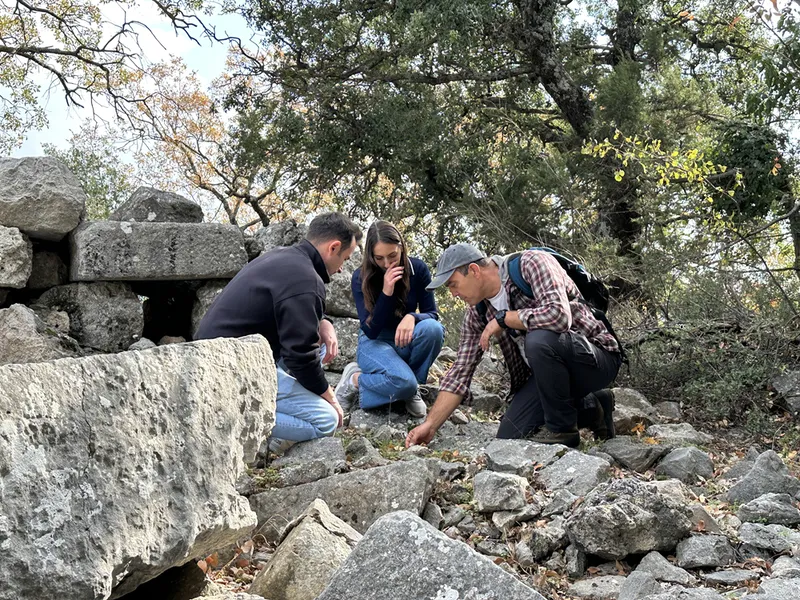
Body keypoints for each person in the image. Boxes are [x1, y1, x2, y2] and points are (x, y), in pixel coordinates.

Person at [405, 243, 621, 449]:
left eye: (453, 284)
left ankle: (563, 431)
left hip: (596, 358)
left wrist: (504, 318)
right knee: (510, 435)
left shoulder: (532, 263)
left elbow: (559, 316)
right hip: (549, 377)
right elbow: (460, 372)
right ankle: (594, 408)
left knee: (538, 340)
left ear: (474, 270)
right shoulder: (476, 313)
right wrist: (430, 425)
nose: (453, 293)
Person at [195, 212, 362, 452]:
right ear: (333, 247)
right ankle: (229, 419)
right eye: (345, 259)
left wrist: (323, 321)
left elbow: (290, 310)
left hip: (217, 351)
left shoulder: (281, 257)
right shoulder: (307, 280)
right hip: (229, 369)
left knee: (321, 344)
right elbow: (300, 356)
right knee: (327, 419)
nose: (341, 268)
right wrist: (330, 397)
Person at [334, 221, 445, 418]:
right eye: (379, 258)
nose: (387, 264)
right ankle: (355, 380)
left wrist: (412, 317)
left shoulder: (418, 269)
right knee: (404, 383)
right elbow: (370, 330)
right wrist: (387, 292)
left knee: (432, 329)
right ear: (371, 256)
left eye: (392, 255)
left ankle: (410, 387)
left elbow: (432, 314)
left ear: (401, 247)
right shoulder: (361, 277)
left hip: (404, 340)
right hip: (374, 343)